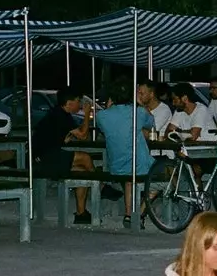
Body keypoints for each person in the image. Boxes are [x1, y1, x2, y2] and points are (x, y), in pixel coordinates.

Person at [32, 85, 95, 224]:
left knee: (83, 172)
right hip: (42, 159)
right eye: (78, 101)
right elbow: (83, 136)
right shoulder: (60, 115)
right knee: (85, 158)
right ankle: (100, 186)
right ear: (69, 103)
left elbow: (62, 137)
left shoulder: (59, 114)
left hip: (47, 156)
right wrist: (86, 114)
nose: (80, 104)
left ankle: (81, 213)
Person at [93, 84, 153, 223]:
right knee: (168, 176)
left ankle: (128, 214)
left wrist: (109, 107)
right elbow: (151, 123)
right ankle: (141, 213)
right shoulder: (138, 112)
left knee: (129, 179)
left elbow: (103, 126)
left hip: (116, 166)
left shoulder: (101, 115)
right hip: (140, 165)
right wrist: (139, 104)